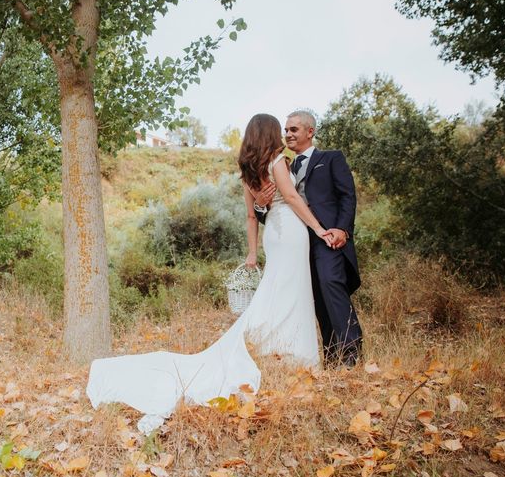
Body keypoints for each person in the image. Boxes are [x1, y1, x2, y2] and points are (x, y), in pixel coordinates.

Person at [86, 113, 330, 433]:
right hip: (292, 231)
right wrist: (319, 228)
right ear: (270, 134)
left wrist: (253, 254)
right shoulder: (277, 162)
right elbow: (294, 197)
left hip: (274, 235)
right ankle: (294, 355)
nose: (284, 135)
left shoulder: (248, 171)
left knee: (278, 289)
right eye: (279, 130)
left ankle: (277, 348)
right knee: (293, 291)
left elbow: (251, 217)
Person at [253, 110, 363, 367]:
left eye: (294, 129)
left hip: (327, 236)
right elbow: (276, 208)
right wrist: (260, 206)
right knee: (314, 294)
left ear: (310, 132)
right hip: (297, 240)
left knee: (331, 284)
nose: (288, 134)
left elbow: (348, 196)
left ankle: (351, 351)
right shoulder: (283, 165)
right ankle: (333, 355)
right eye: (286, 130)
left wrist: (342, 229)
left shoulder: (331, 158)